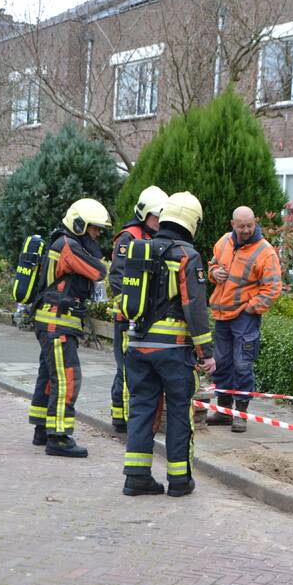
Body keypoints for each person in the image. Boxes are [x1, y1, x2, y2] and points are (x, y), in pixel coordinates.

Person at [122, 192, 215, 497]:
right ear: (191, 222)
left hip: (137, 347)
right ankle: (179, 480)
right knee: (178, 412)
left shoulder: (140, 250)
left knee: (141, 409)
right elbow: (194, 308)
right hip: (173, 352)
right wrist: (207, 354)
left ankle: (136, 477)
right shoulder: (187, 255)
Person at [27, 198, 110, 458]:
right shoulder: (67, 245)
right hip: (57, 322)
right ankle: (59, 437)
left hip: (54, 321)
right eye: (94, 228)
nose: (97, 234)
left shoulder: (66, 242)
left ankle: (43, 429)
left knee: (50, 377)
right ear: (79, 224)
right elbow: (98, 271)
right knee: (67, 378)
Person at [206, 206, 282, 432]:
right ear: (233, 225)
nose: (247, 229)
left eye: (250, 225)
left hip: (244, 318)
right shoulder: (223, 243)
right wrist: (213, 273)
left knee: (242, 365)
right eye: (242, 226)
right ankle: (223, 410)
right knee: (222, 364)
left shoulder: (265, 252)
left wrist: (250, 309)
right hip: (222, 315)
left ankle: (240, 414)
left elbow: (273, 288)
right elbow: (212, 265)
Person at [107, 185, 168, 433]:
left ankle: (124, 415)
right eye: (156, 217)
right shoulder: (129, 238)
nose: (159, 221)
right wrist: (134, 305)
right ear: (144, 214)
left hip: (145, 316)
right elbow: (118, 278)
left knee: (133, 368)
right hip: (127, 316)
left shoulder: (154, 239)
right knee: (125, 367)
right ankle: (122, 419)